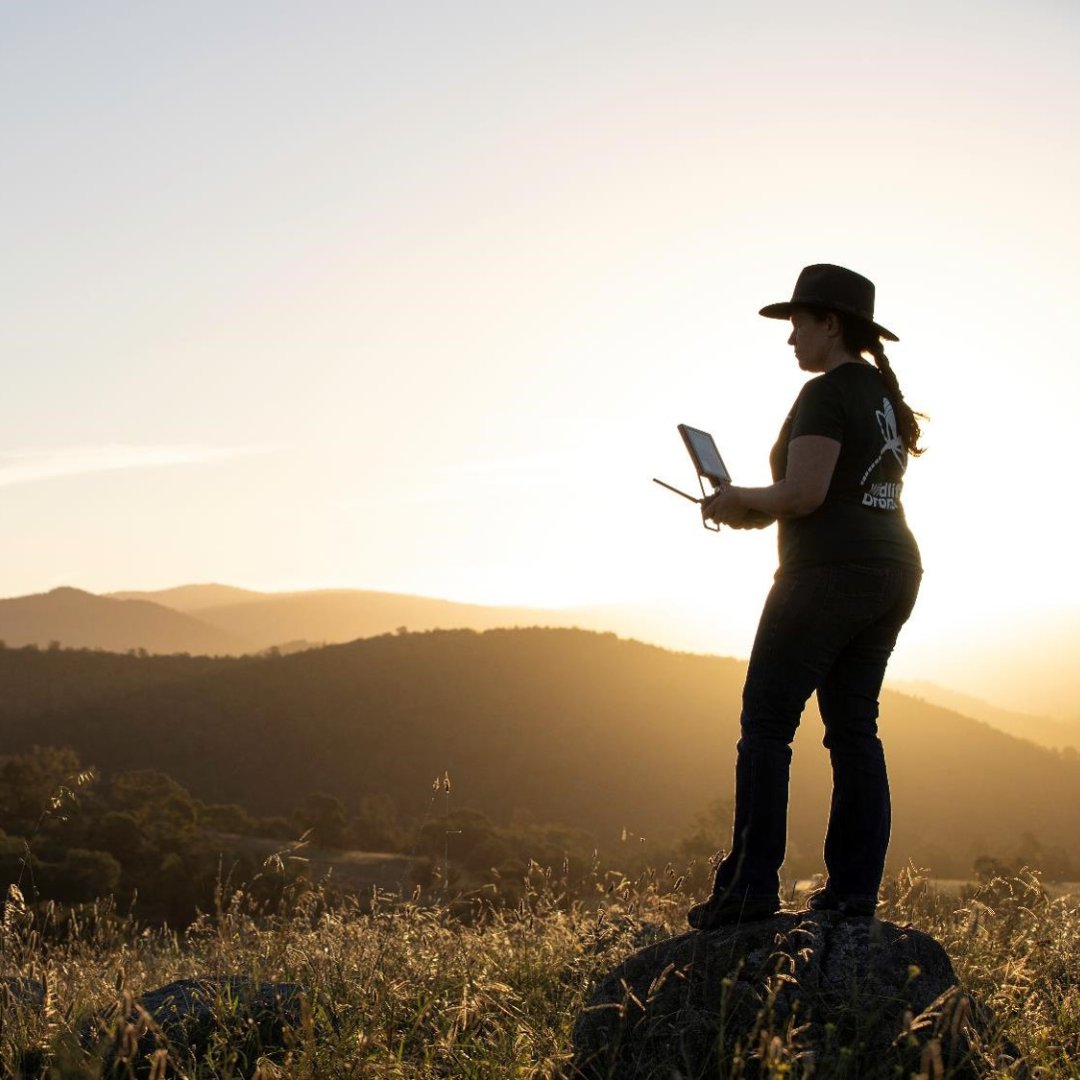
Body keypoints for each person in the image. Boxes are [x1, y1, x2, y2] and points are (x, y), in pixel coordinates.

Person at [687, 264, 924, 929]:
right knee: (854, 729)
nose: (790, 338)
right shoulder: (879, 395)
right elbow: (829, 493)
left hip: (828, 573)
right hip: (891, 569)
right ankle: (852, 892)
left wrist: (739, 498)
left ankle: (748, 888)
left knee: (766, 722)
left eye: (797, 323)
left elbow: (806, 495)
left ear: (830, 324)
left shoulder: (826, 395)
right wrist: (750, 510)